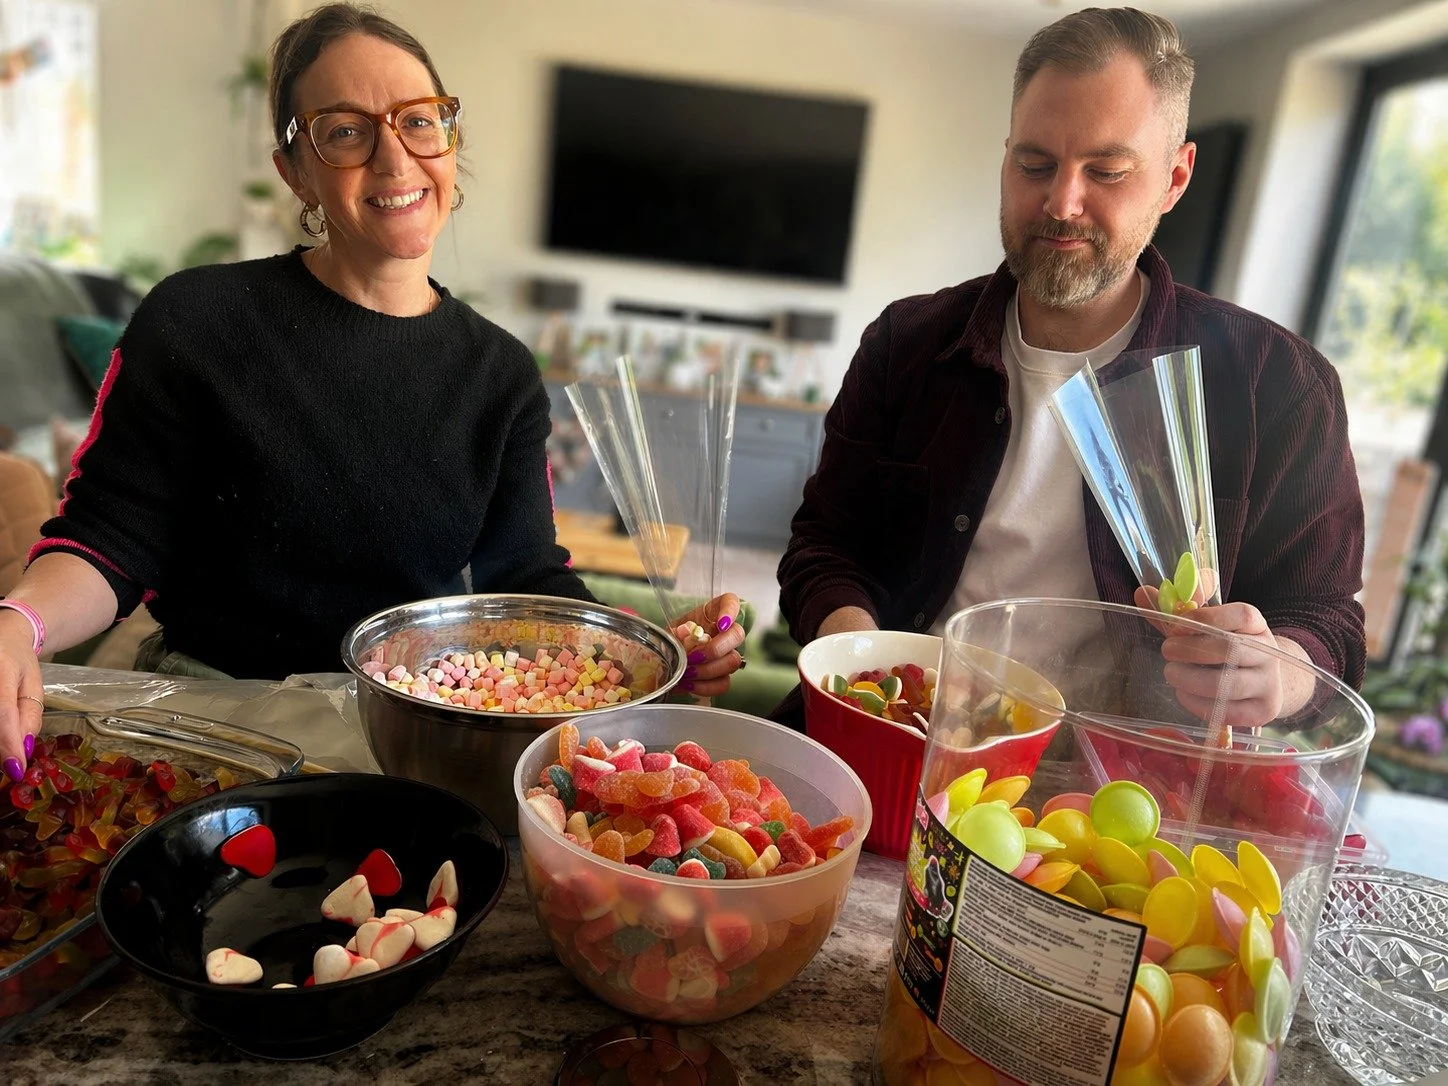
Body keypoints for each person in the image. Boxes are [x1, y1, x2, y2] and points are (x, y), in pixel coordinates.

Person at [0, 3, 744, 781]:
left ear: (449, 142)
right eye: (347, 131)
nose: (395, 158)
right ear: (297, 168)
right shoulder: (198, 320)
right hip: (207, 725)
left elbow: (524, 581)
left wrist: (647, 651)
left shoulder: (501, 375)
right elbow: (107, 537)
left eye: (419, 121)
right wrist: (18, 623)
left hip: (411, 738)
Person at [775, 6, 1365, 729]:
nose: (1061, 202)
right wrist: (854, 655)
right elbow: (824, 544)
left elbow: (1329, 619)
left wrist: (1280, 673)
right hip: (897, 740)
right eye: (1035, 164)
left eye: (1107, 170)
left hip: (1122, 791)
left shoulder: (1277, 384)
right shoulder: (908, 343)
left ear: (1175, 178)